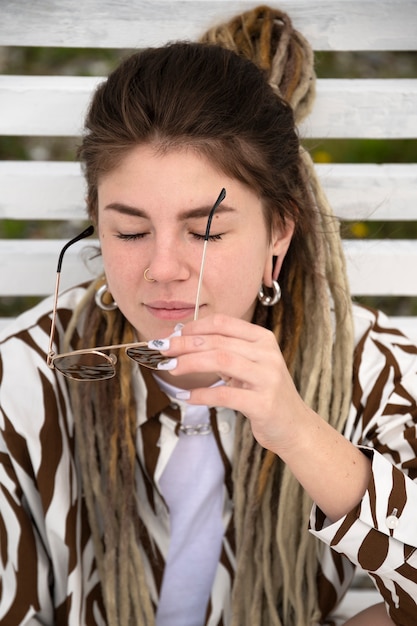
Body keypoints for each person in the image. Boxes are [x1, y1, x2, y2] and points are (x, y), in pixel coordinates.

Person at [0, 5, 416, 626]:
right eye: (131, 231)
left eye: (208, 232)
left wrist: (299, 432)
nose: (163, 268)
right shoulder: (24, 375)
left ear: (278, 230)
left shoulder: (373, 368)